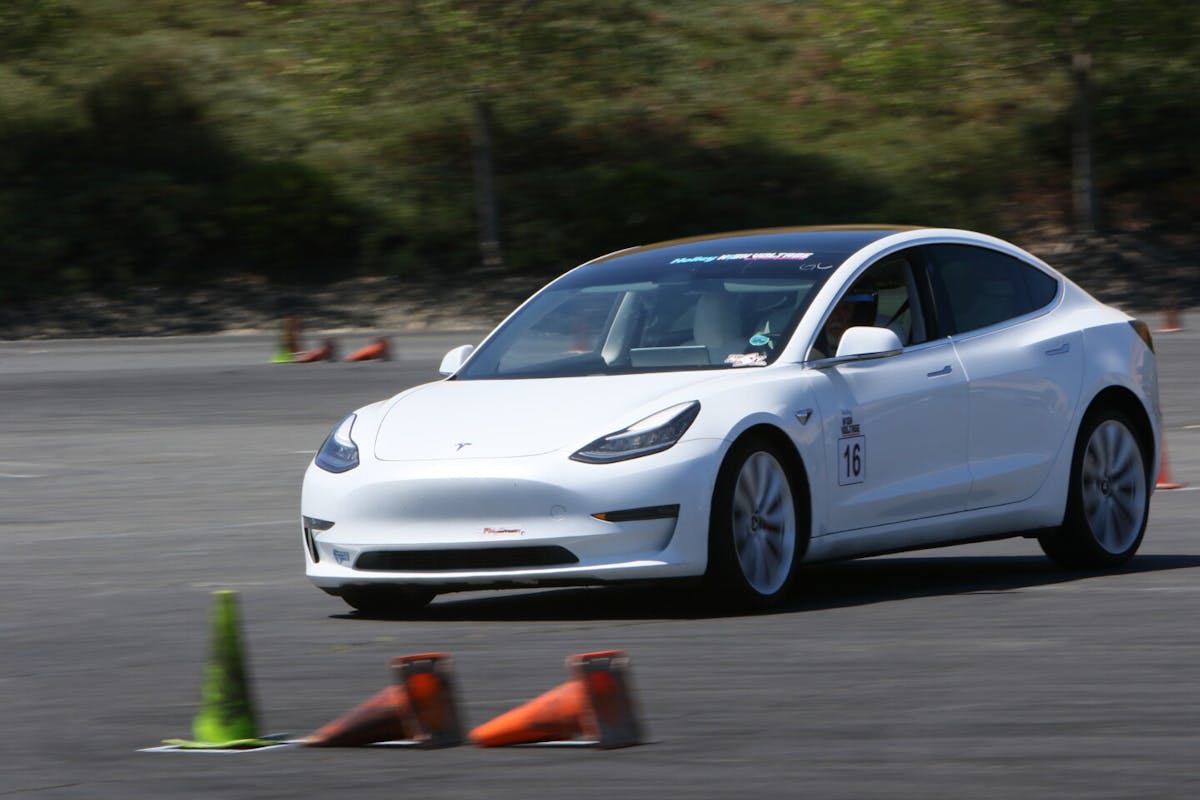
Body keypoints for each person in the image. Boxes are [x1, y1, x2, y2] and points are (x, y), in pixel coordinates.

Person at [813, 280, 877, 358]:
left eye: (845, 308)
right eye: (832, 309)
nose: (837, 316)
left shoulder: (869, 350)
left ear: (855, 314)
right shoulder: (807, 349)